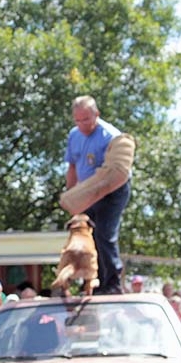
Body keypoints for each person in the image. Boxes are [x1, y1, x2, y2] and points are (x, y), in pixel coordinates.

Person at [63, 96, 130, 294]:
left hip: (113, 191)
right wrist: (72, 197)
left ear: (96, 114)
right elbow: (73, 167)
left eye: (86, 119)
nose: (82, 124)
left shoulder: (110, 136)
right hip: (87, 192)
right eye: (78, 120)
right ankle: (94, 281)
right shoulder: (74, 135)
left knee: (104, 233)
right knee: (85, 235)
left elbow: (118, 173)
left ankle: (112, 283)